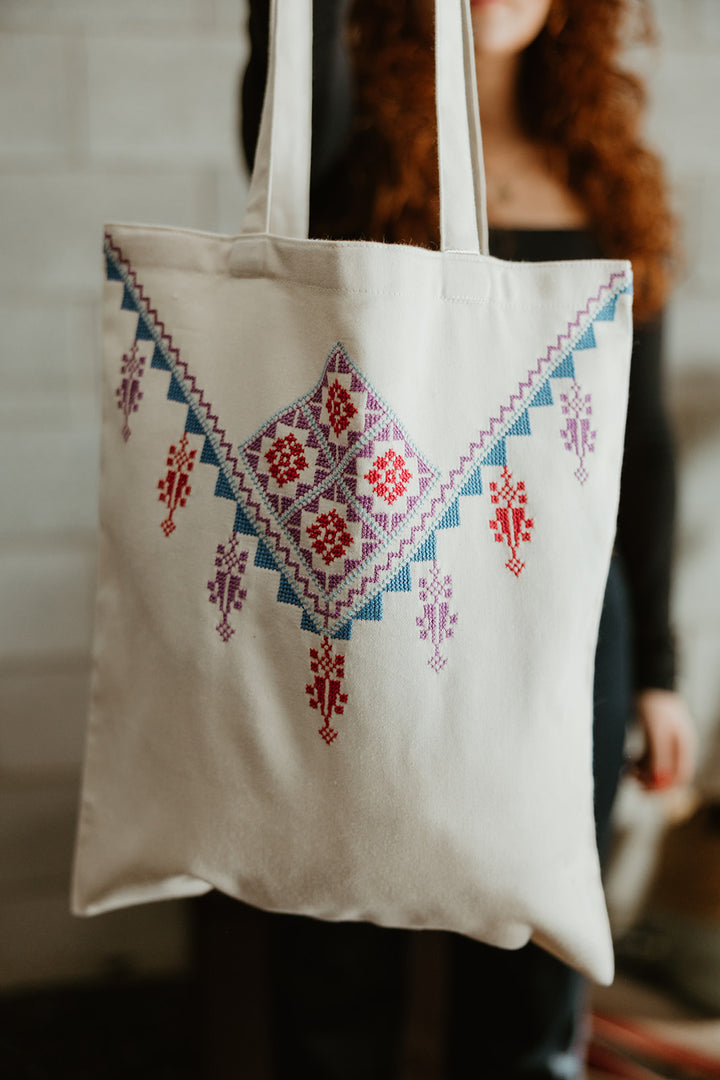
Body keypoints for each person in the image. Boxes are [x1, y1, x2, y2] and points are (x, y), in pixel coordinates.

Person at [238, 2, 697, 1076]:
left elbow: (643, 438)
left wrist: (660, 672)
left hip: (569, 629)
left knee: (530, 968)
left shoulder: (607, 171)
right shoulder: (351, 149)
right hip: (372, 614)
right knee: (336, 950)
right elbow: (279, 80)